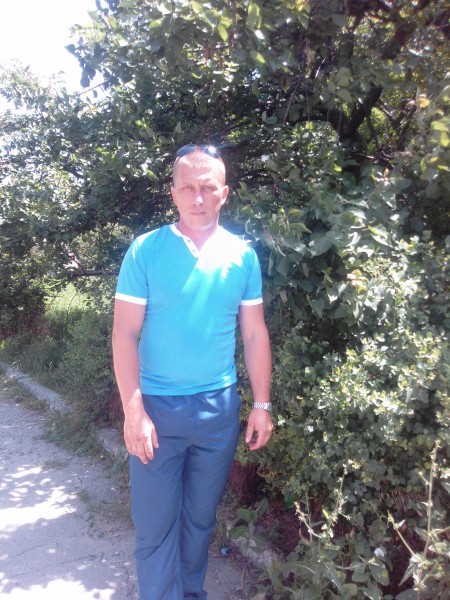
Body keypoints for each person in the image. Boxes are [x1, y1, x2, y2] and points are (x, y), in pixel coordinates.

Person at [112, 145, 272, 600]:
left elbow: (254, 333)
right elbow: (124, 333)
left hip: (217, 411)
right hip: (156, 408)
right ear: (173, 193)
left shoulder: (242, 256)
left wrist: (261, 404)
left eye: (207, 188)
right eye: (187, 188)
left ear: (224, 193)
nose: (197, 198)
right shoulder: (146, 250)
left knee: (199, 521)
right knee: (155, 526)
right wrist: (134, 412)